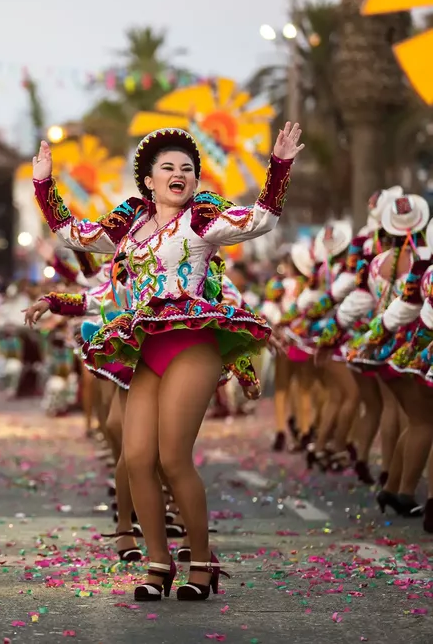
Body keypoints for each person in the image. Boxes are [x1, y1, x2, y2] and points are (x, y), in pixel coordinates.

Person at [29, 123, 303, 601]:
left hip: (192, 342)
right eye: (169, 168)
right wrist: (43, 183)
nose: (180, 174)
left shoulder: (202, 219)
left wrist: (279, 166)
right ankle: (158, 564)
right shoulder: (130, 226)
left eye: (188, 169)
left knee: (173, 458)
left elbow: (260, 219)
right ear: (149, 181)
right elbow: (73, 233)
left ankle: (201, 562)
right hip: (148, 347)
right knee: (137, 459)